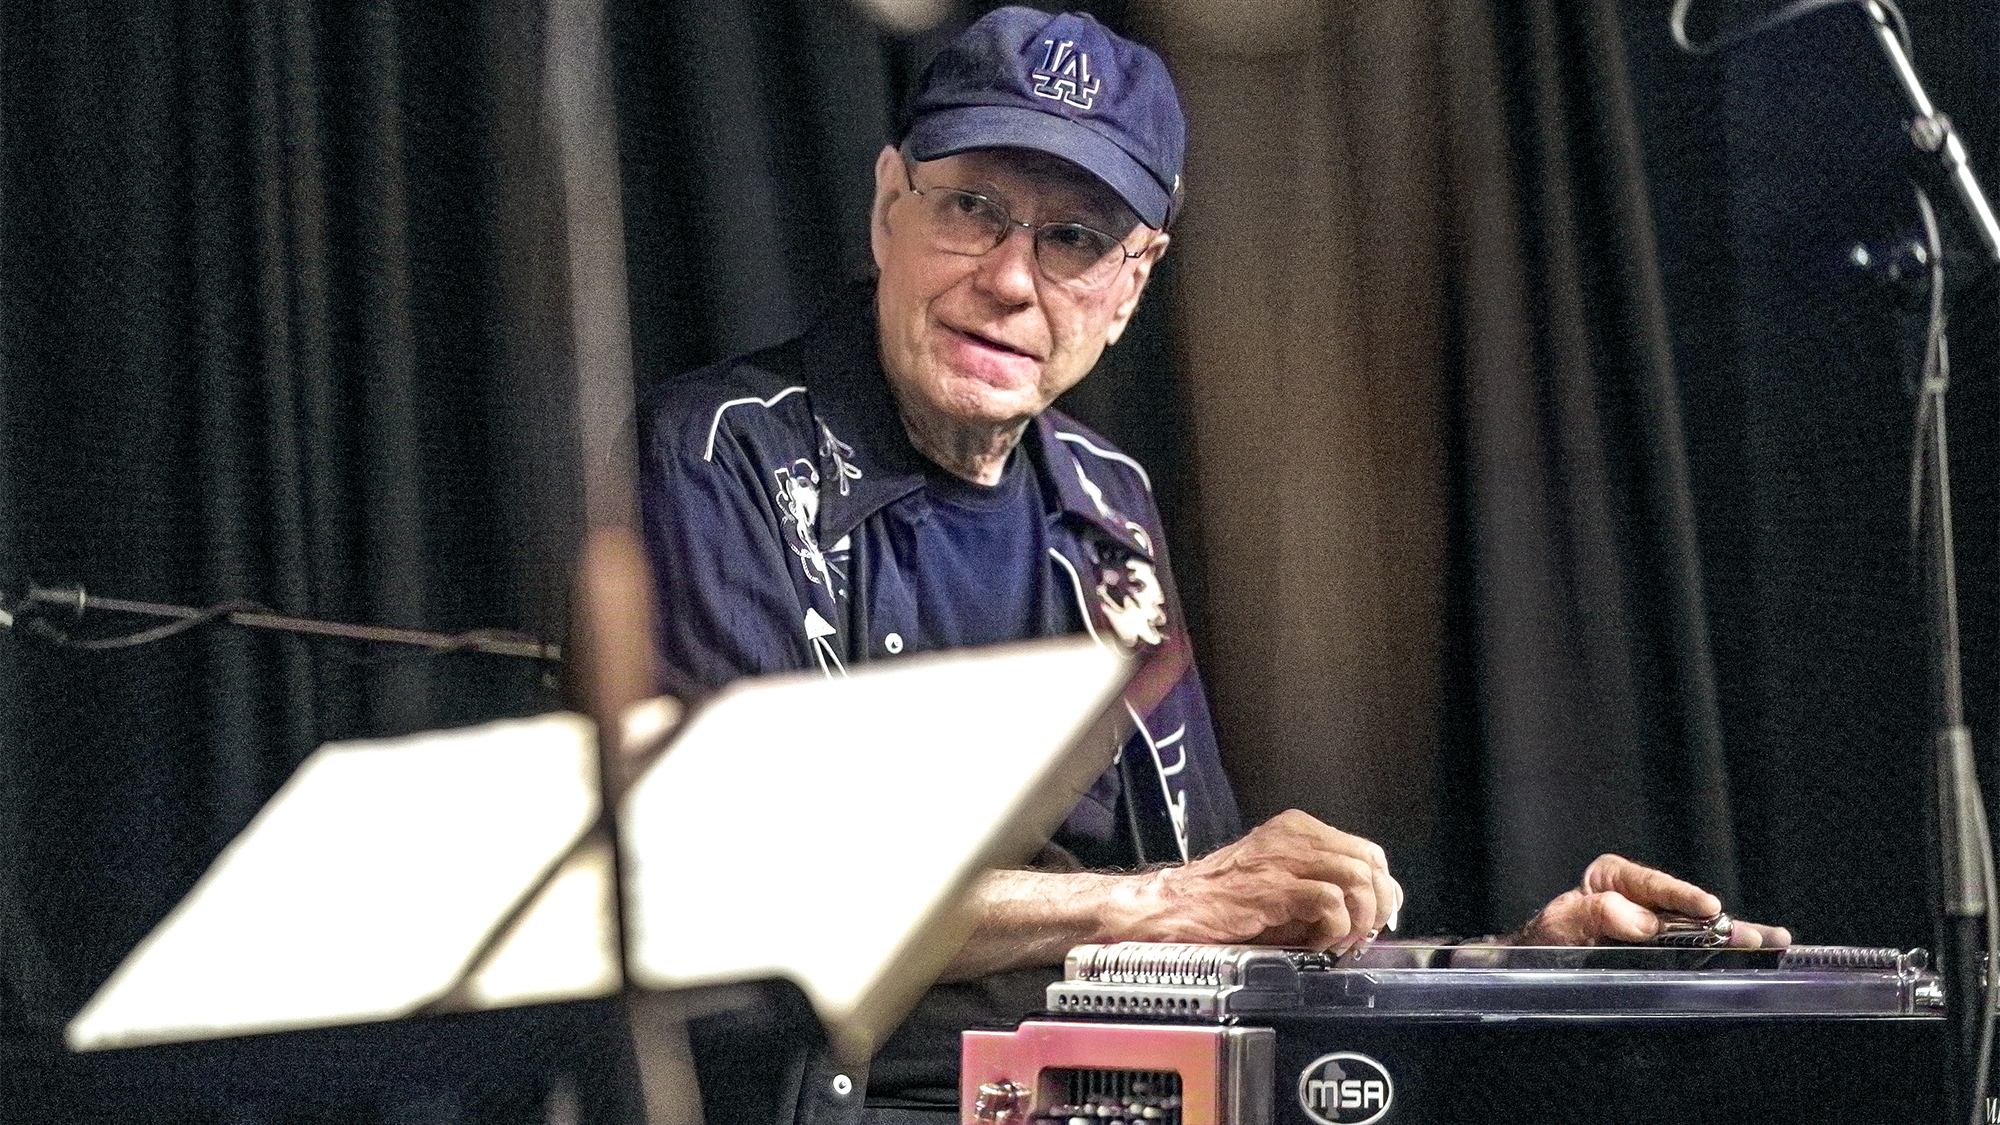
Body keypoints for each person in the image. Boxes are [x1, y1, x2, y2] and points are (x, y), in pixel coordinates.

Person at [637, 7, 1786, 1122]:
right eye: (973, 209)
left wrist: (1509, 968)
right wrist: (1168, 899)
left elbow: (1218, 929)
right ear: (889, 206)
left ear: (1131, 285)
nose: (1008, 279)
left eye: (1074, 239)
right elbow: (763, 884)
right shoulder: (722, 453)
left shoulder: (1107, 507)